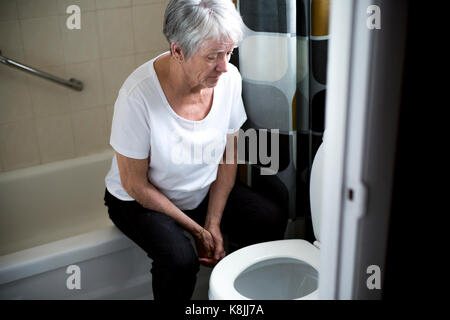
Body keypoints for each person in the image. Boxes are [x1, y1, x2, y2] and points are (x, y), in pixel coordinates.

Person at [103, 0, 287, 300]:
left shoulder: (229, 79)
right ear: (178, 51)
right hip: (138, 200)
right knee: (179, 260)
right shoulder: (137, 96)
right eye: (213, 56)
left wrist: (213, 222)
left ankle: (246, 296)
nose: (224, 66)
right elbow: (134, 184)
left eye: (228, 53)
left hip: (198, 189)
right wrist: (197, 230)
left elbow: (229, 156)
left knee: (269, 217)